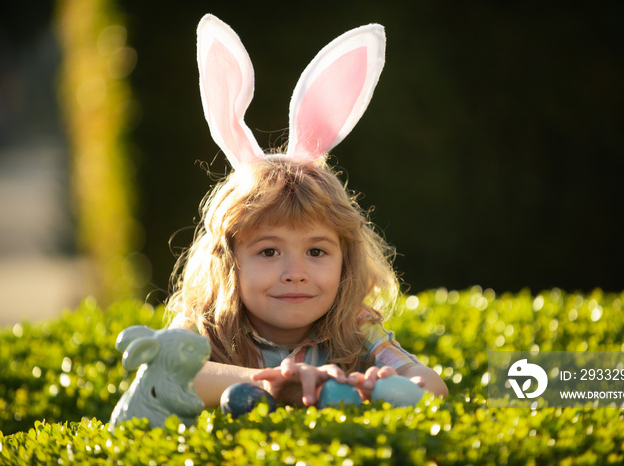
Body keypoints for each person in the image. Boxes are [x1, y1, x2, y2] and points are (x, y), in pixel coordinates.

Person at [166, 14, 448, 408]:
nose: (295, 273)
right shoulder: (204, 327)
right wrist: (280, 382)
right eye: (268, 251)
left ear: (345, 261)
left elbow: (432, 386)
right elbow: (170, 376)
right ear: (228, 261)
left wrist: (376, 386)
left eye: (317, 252)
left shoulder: (355, 330)